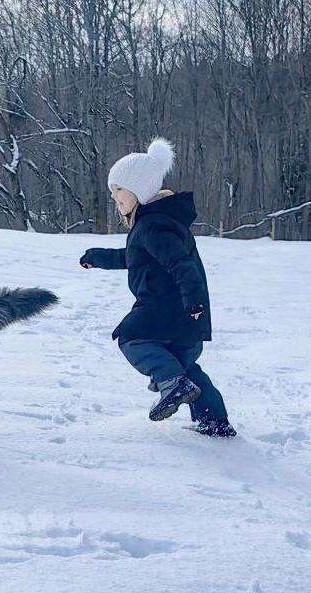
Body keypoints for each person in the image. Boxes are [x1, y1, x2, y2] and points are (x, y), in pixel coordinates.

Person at [80, 138, 236, 437]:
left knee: (131, 336)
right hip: (186, 316)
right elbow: (136, 258)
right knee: (185, 366)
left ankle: (171, 382)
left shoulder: (152, 226)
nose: (116, 200)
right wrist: (99, 258)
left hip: (168, 308)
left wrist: (193, 301)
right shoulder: (158, 223)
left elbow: (181, 264)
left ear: (138, 189)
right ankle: (214, 420)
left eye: (119, 193)